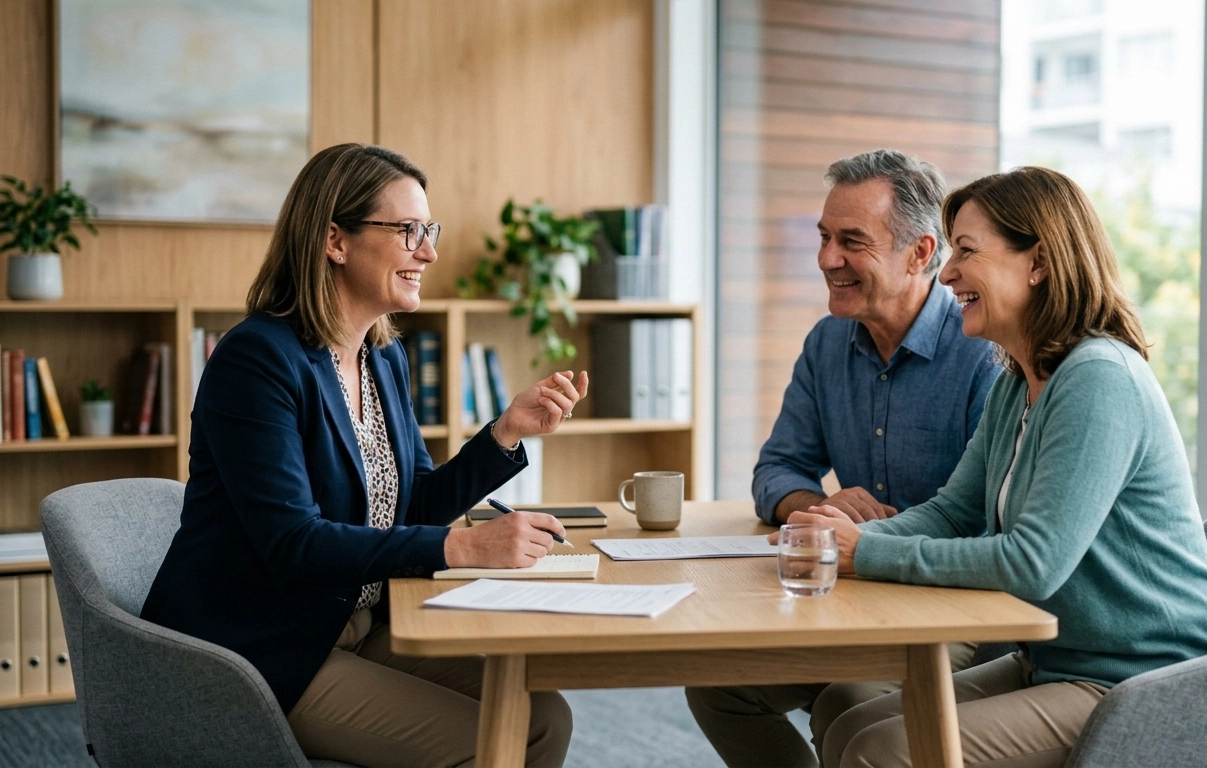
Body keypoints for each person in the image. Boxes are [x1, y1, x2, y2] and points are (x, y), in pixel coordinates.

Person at [140, 144, 586, 768]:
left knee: (542, 719)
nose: (428, 252)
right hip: (263, 645)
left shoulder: (382, 358)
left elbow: (413, 506)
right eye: (408, 231)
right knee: (488, 745)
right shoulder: (257, 360)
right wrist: (462, 548)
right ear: (335, 240)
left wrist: (505, 434)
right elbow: (292, 542)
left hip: (356, 624)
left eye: (428, 231)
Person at [781, 166, 1207, 768]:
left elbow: (1032, 564)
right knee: (845, 713)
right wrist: (844, 541)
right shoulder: (1018, 381)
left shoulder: (1098, 378)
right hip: (1054, 662)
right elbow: (953, 511)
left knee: (880, 749)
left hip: (1147, 681)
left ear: (1038, 263)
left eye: (966, 251)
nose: (946, 272)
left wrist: (862, 553)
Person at [686, 150, 999, 768]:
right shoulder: (827, 342)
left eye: (852, 241)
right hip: (855, 590)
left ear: (919, 253)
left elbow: (989, 524)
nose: (828, 259)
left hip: (955, 603)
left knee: (850, 702)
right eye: (825, 237)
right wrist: (821, 506)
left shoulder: (983, 353)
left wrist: (875, 537)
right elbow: (774, 471)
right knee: (718, 684)